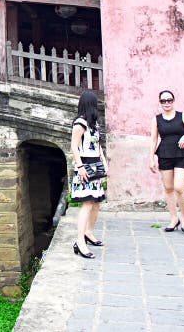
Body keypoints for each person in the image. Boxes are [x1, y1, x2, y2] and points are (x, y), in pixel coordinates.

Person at [149, 90, 184, 233]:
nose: (167, 103)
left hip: (182, 154)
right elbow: (154, 139)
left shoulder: (182, 116)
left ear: (173, 101)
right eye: (163, 101)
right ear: (160, 103)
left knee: (179, 187)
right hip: (164, 154)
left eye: (169, 100)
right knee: (168, 188)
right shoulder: (156, 119)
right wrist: (151, 158)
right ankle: (174, 218)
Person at [70, 91, 107, 259]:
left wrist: (105, 164)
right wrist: (80, 166)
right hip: (84, 165)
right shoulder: (80, 123)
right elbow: (74, 147)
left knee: (96, 202)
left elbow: (98, 146)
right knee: (86, 204)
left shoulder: (94, 124)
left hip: (95, 164)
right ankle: (80, 241)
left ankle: (89, 232)